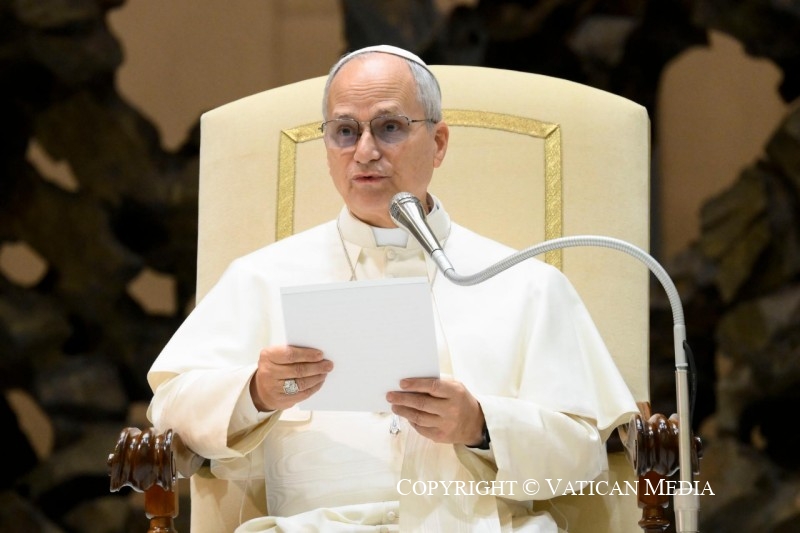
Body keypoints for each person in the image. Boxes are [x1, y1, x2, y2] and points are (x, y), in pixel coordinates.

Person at [146, 44, 639, 532]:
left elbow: (583, 454)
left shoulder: (525, 284)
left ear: (439, 142)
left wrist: (481, 426)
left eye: (389, 127)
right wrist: (255, 391)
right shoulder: (262, 277)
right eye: (344, 131)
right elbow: (170, 409)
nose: (365, 152)